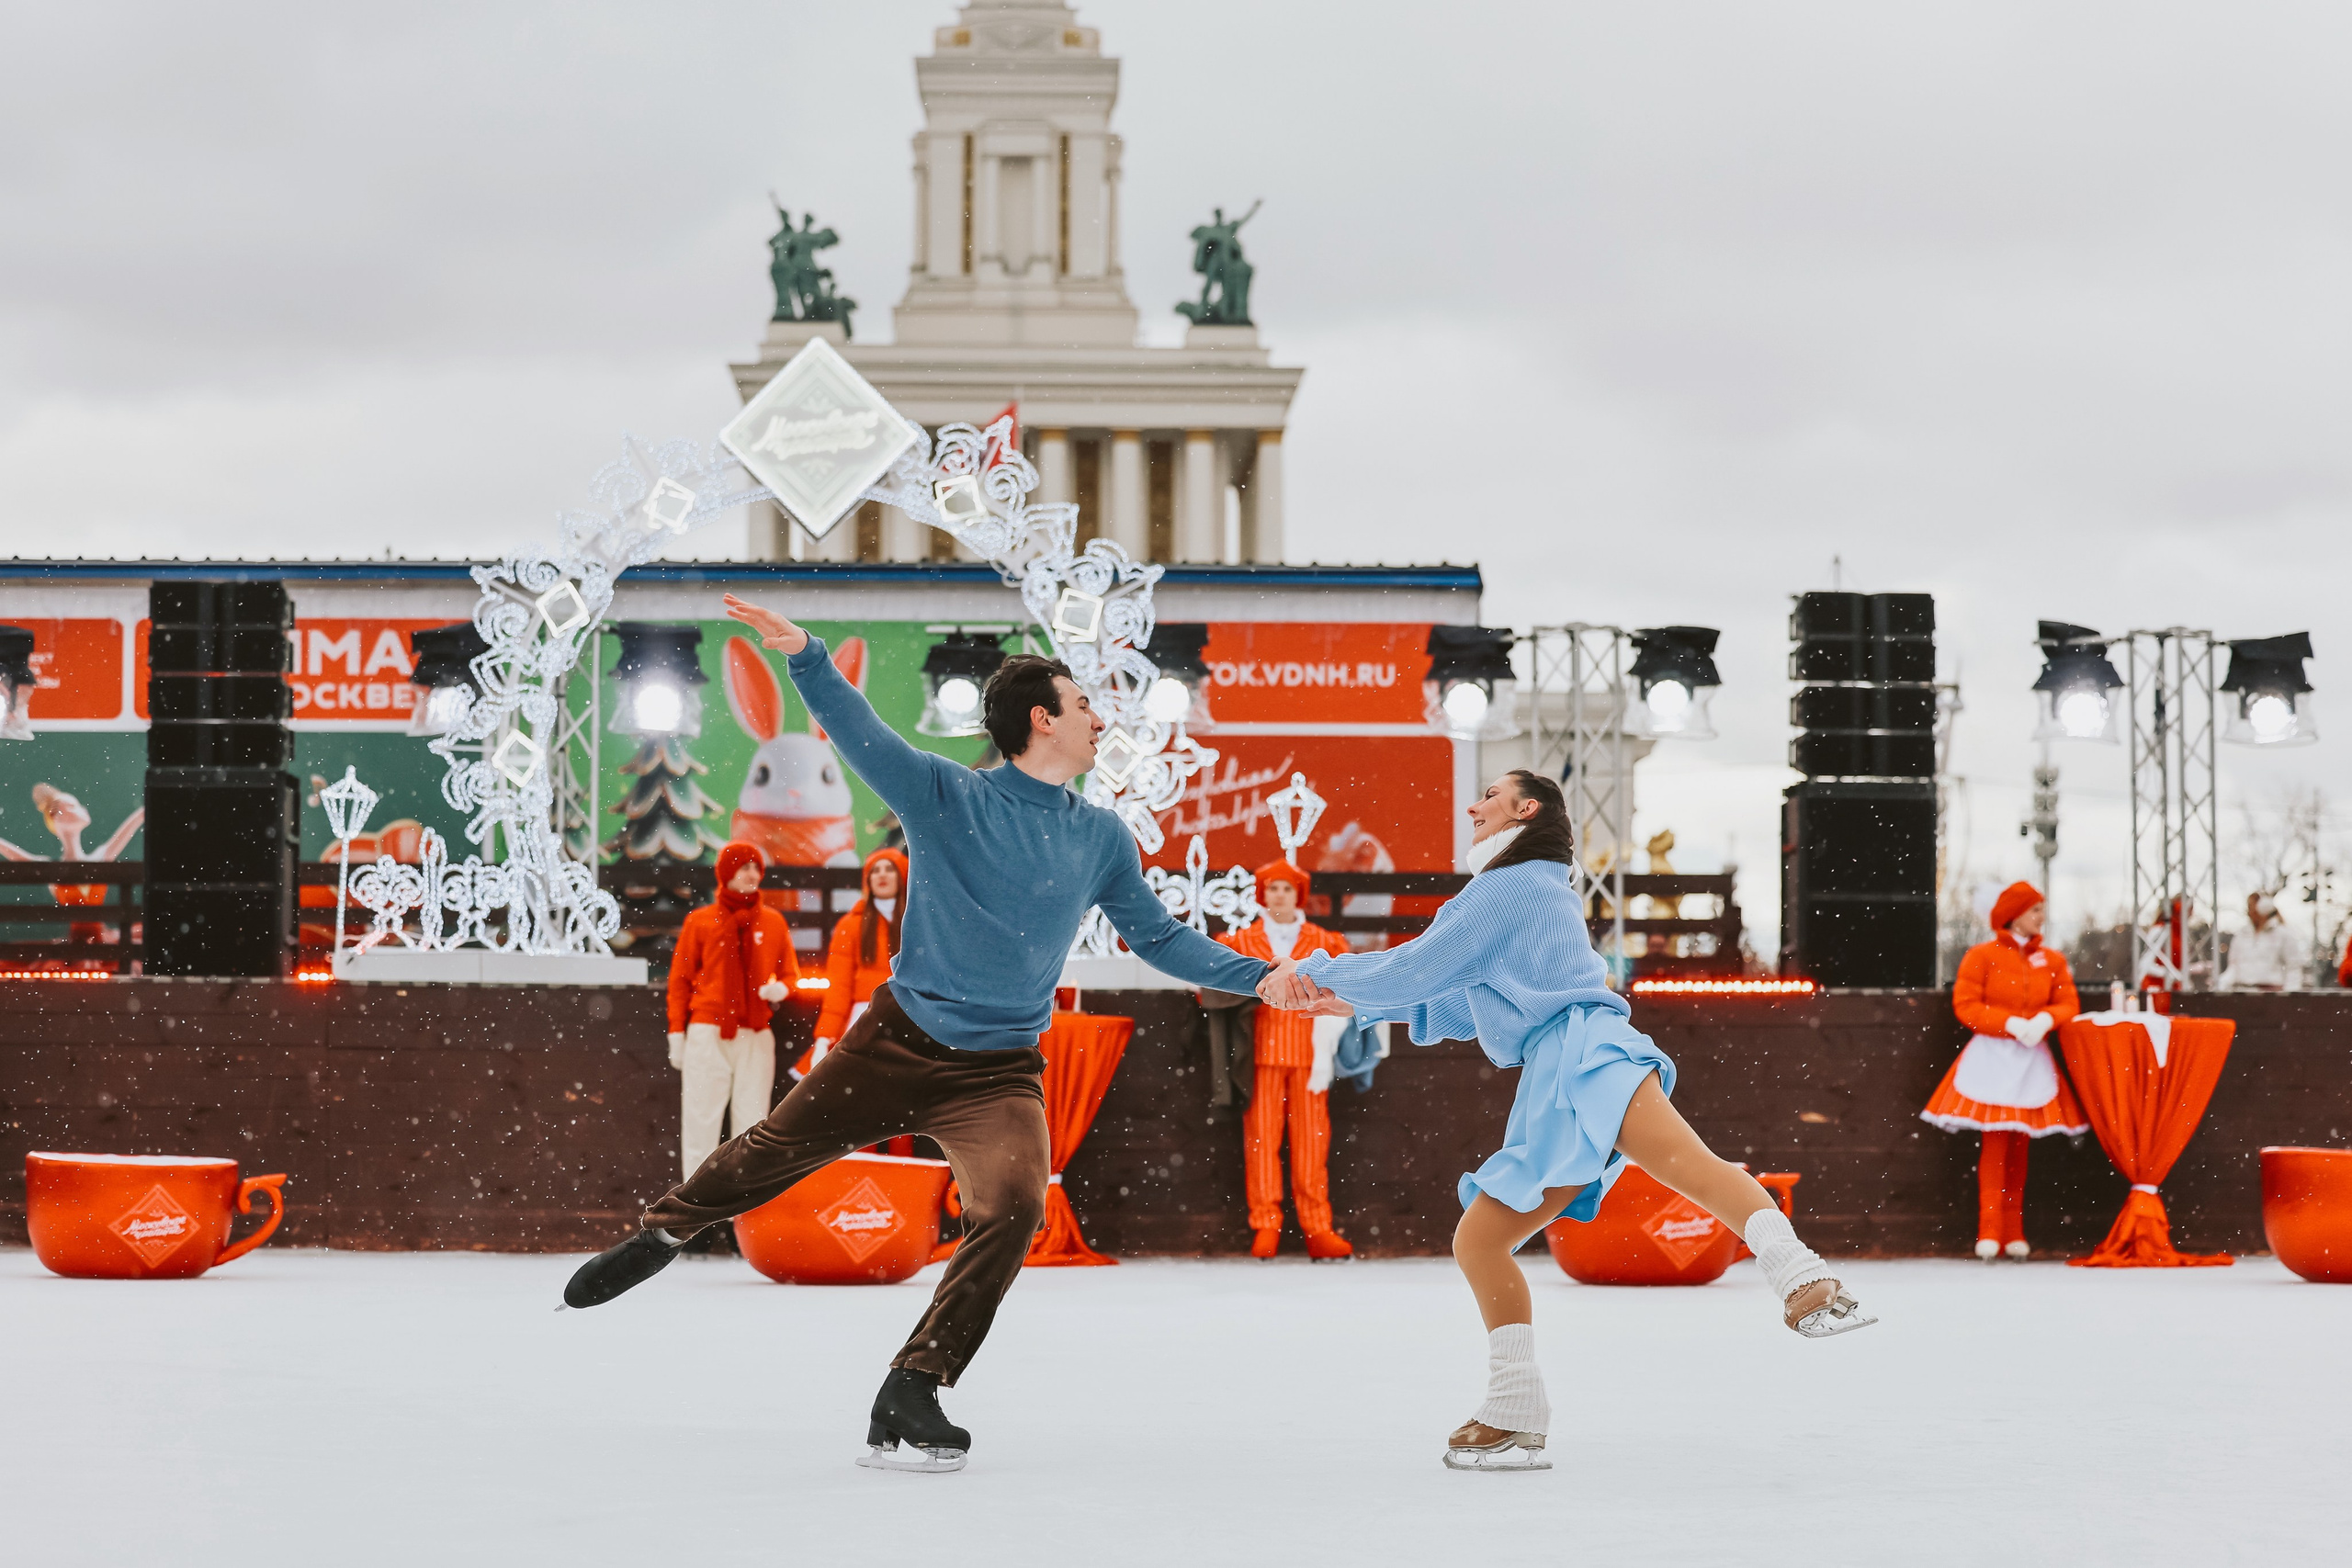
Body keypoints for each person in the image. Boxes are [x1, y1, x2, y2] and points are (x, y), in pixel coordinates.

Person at [564, 593, 1284, 1474]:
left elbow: (1161, 939)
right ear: (1041, 719)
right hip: (899, 1039)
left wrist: (1263, 975)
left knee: (1014, 1207)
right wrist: (806, 654)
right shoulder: (949, 794)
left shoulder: (1100, 836)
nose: (1099, 719)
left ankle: (915, 1381)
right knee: (776, 1147)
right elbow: (861, 734)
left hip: (1001, 1070)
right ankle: (665, 1233)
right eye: (1083, 704)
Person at [1263, 770, 1874, 1473]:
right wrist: (1349, 1000)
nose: (1474, 805)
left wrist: (1319, 974)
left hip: (1589, 1050)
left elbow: (1418, 965)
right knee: (1481, 1239)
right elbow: (1468, 1001)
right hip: (1556, 1069)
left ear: (1527, 808)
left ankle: (1805, 1278)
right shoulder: (1529, 888)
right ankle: (1515, 1409)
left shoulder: (1507, 887)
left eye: (1490, 795)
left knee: (1694, 1170)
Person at [1920, 881, 2089, 1261]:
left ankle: (2014, 1230)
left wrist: (2045, 1019)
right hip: (1993, 1058)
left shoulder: (2052, 960)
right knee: (1996, 1143)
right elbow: (1966, 1005)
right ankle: (1989, 1230)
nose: (2041, 917)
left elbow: (2068, 1002)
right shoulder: (1982, 956)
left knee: (2020, 1145)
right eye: (2034, 910)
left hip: (2031, 1060)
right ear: (2014, 915)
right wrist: (2010, 1023)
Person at [1215, 859, 1355, 1260]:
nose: (1279, 895)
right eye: (1273, 888)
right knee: (1260, 1141)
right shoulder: (1241, 940)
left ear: (1299, 896)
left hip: (1311, 1057)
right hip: (1259, 1055)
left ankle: (1317, 1227)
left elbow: (1349, 983)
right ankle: (1266, 1224)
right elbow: (1209, 983)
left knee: (1313, 1143)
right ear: (1262, 895)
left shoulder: (1323, 941)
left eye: (1287, 889)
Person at [667, 842, 797, 1181]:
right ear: (727, 873)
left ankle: (745, 1202)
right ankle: (695, 1204)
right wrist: (676, 1032)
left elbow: (790, 974)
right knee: (701, 1120)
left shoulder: (773, 922)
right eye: (744, 866)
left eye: (756, 867)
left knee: (753, 1124)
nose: (752, 874)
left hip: (755, 1033)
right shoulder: (700, 922)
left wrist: (782, 989)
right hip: (708, 1031)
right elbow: (680, 980)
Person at [796, 846, 908, 1078]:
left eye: (890, 869)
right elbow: (839, 986)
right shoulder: (850, 925)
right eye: (875, 870)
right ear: (868, 880)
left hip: (908, 1018)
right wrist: (824, 1037)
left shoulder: (918, 923)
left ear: (903, 876)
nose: (882, 875)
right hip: (864, 1018)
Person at [2220, 892, 2301, 991]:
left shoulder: (2283, 934)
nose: (2249, 912)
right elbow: (2234, 967)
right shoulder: (2241, 935)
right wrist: (2221, 984)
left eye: (2251, 907)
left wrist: (2290, 994)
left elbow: (2293, 967)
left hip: (2271, 995)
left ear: (2263, 907)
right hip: (2243, 993)